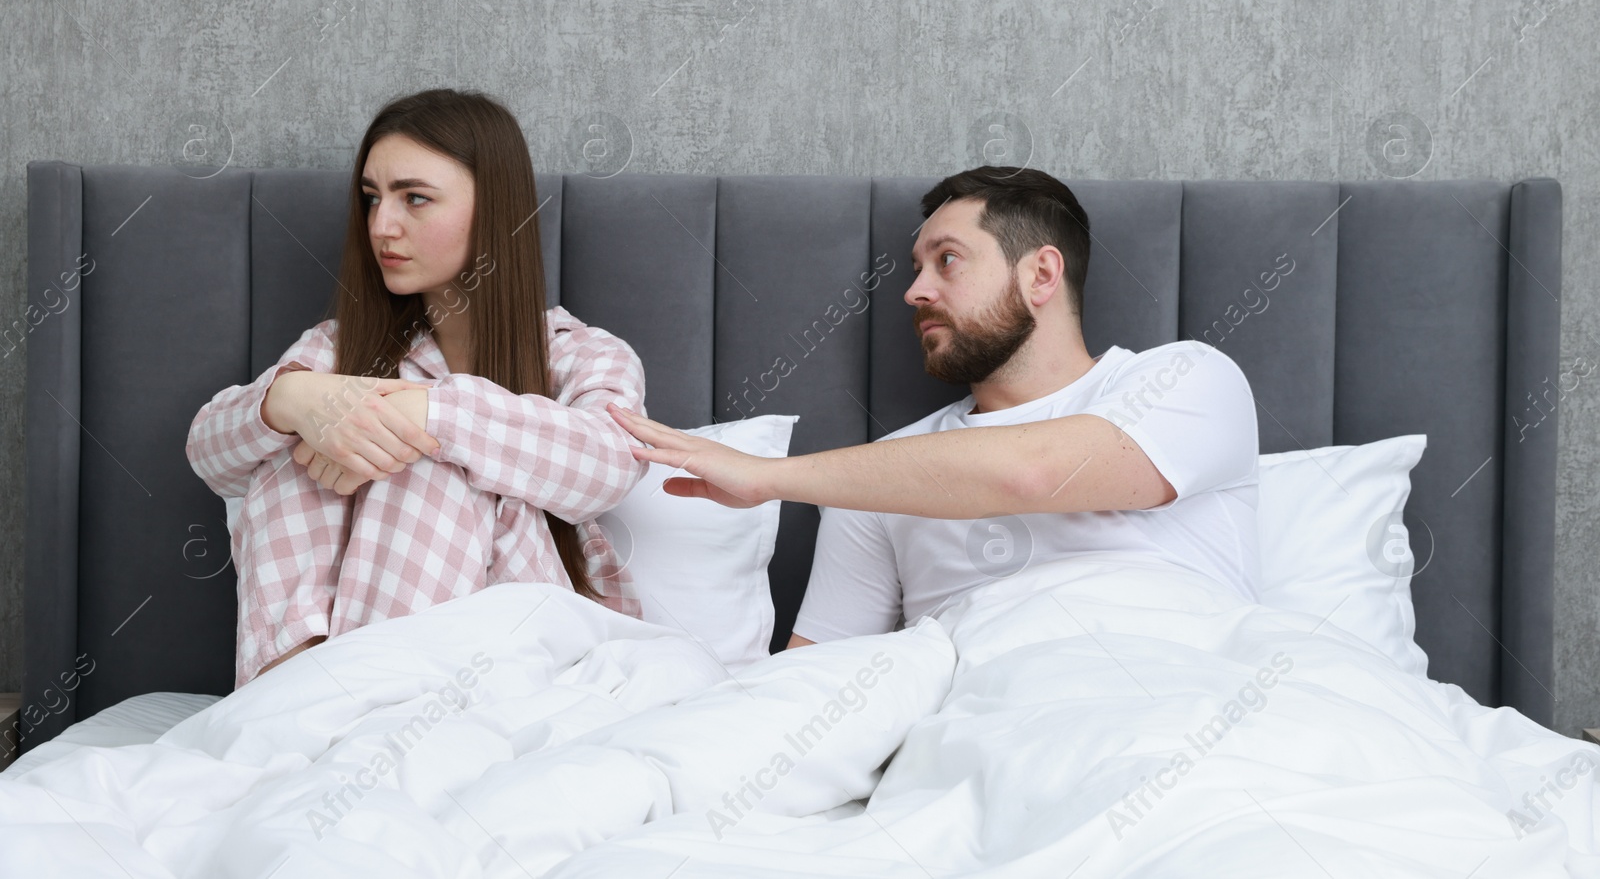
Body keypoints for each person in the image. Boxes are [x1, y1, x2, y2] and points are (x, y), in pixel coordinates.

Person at [607, 166, 1260, 648]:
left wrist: (768, 476)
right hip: (988, 730)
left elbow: (1032, 472)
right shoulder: (877, 478)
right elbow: (812, 679)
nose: (915, 292)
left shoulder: (1188, 379)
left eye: (947, 261)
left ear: (1041, 274)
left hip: (1185, 692)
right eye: (915, 269)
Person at [186, 88, 650, 690]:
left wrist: (428, 412)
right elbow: (210, 454)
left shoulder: (581, 354)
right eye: (372, 198)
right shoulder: (335, 347)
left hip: (519, 657)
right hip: (324, 664)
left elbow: (608, 465)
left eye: (415, 198)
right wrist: (292, 400)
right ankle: (302, 690)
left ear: (494, 211)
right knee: (291, 451)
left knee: (417, 456)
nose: (382, 225)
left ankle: (364, 705)